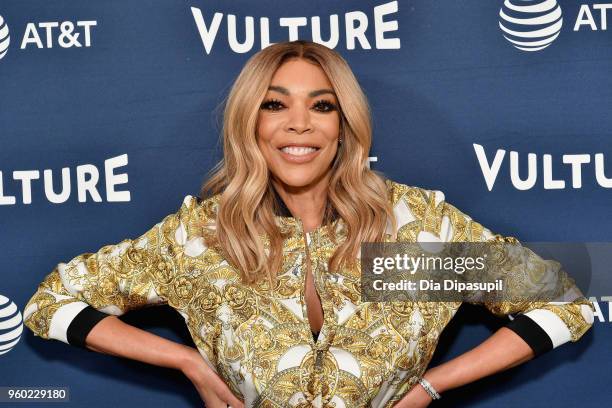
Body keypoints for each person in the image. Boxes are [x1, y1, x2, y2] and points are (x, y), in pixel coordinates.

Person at [23, 40, 594, 408]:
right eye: (275, 105)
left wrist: (429, 387)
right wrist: (184, 359)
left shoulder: (407, 231)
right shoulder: (203, 239)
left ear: (345, 124)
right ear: (250, 122)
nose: (300, 125)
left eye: (322, 106)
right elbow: (50, 305)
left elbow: (565, 303)